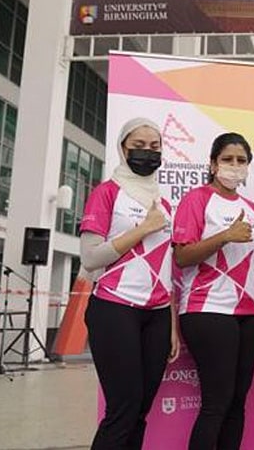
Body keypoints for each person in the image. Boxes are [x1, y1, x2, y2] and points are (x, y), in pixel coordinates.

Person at [173, 132, 254, 450]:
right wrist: (224, 236)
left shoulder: (253, 208)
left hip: (253, 314)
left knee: (236, 403)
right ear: (213, 164)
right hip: (209, 310)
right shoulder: (197, 199)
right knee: (216, 403)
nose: (235, 166)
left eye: (241, 160)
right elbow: (182, 256)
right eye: (227, 160)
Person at [80, 118, 179, 450]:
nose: (147, 153)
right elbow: (91, 258)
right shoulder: (106, 193)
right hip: (113, 308)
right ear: (123, 149)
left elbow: (166, 268)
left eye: (154, 147)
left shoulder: (164, 204)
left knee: (139, 412)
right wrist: (143, 228)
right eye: (138, 146)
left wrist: (172, 325)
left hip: (157, 314)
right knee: (122, 410)